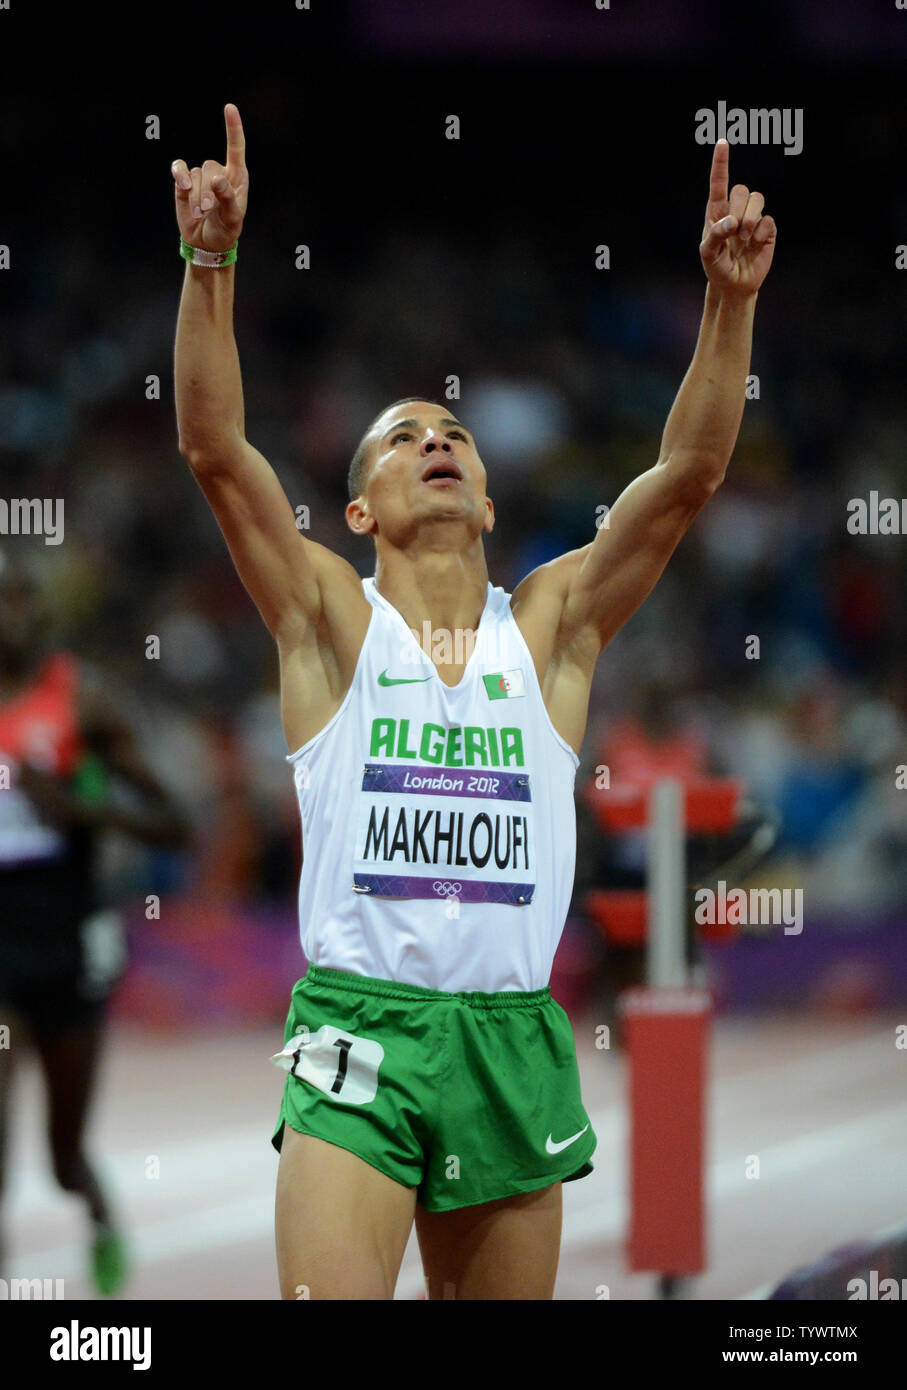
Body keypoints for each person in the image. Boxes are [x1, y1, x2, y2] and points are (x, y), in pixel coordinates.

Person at [171, 104, 776, 1299]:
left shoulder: (550, 626)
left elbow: (691, 475)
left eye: (452, 434)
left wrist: (729, 301)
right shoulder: (332, 622)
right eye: (402, 439)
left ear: (489, 500)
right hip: (361, 1034)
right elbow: (213, 448)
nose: (436, 442)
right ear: (358, 512)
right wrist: (209, 261)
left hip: (509, 1034)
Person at [0, 550, 190, 1294]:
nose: (8, 614)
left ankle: (101, 1216)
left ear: (39, 611)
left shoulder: (81, 702)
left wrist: (83, 811)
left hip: (67, 930)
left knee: (63, 1155)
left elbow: (174, 824)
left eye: (17, 599)